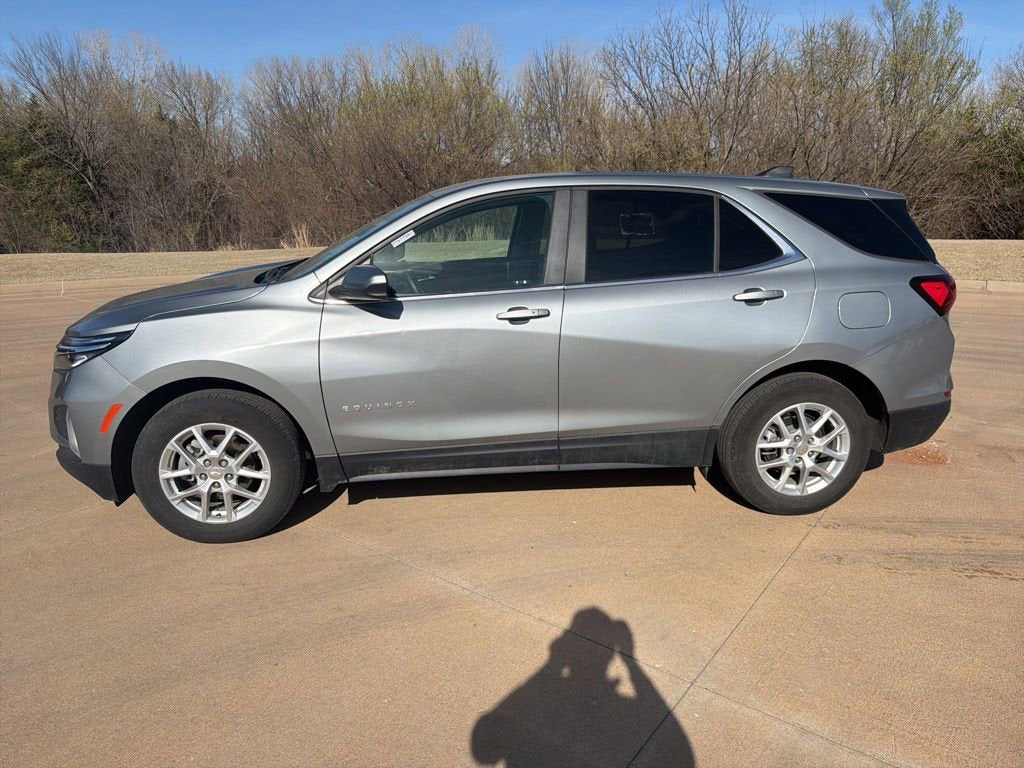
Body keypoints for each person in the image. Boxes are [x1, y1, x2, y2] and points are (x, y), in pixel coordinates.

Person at [472, 607, 694, 767]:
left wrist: (553, 663)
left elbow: (488, 738)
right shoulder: (625, 710)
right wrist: (630, 661)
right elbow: (678, 750)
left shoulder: (551, 698)